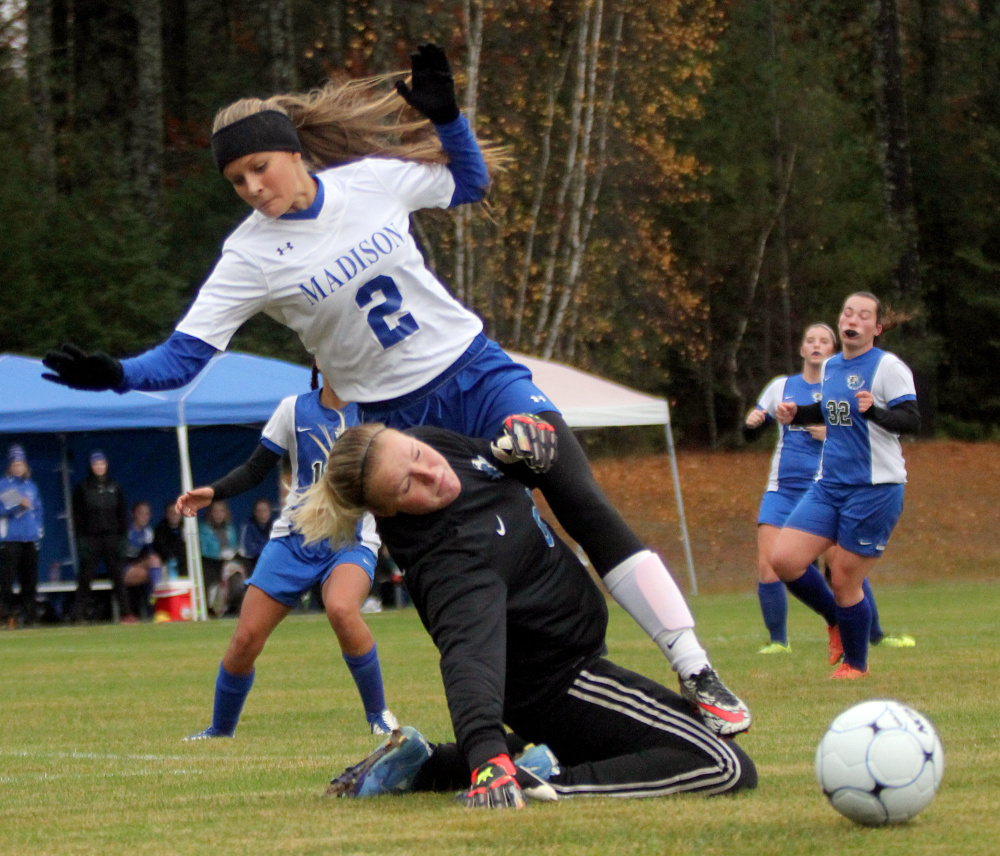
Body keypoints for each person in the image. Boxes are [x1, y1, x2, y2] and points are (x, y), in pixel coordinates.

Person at [41, 44, 748, 734]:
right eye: (236, 181)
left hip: (478, 375)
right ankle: (506, 731)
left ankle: (696, 670)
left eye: (260, 167)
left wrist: (448, 119)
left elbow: (470, 183)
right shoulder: (248, 255)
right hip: (396, 429)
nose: (253, 188)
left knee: (578, 497)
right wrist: (117, 376)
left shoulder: (371, 181)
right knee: (460, 579)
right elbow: (183, 358)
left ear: (292, 151)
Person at [296, 425, 756, 809]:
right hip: (566, 685)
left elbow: (488, 464)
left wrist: (516, 449)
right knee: (724, 766)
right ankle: (538, 781)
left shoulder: (438, 447)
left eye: (417, 455)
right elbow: (468, 660)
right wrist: (487, 759)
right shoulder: (452, 560)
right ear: (387, 511)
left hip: (567, 676)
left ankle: (428, 764)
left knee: (653, 745)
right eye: (406, 486)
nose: (431, 473)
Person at [177, 367, 397, 739]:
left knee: (342, 610)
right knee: (245, 639)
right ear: (319, 360)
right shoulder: (293, 410)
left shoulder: (374, 412)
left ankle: (379, 715)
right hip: (294, 541)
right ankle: (220, 731)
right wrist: (212, 493)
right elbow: (254, 470)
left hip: (350, 541)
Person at [770, 292, 921, 679]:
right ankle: (836, 621)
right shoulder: (833, 366)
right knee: (784, 559)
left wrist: (877, 412)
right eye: (847, 312)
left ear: (876, 327)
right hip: (830, 486)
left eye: (863, 315)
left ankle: (856, 664)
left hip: (875, 488)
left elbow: (911, 419)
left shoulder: (888, 367)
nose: (853, 319)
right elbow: (832, 409)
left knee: (844, 578)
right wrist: (797, 413)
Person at [71, 451, 128, 623]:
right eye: (96, 464)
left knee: (118, 576)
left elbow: (122, 514)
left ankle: (127, 613)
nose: (99, 467)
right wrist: (81, 539)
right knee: (86, 577)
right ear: (91, 466)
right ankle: (78, 614)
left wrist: (122, 538)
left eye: (102, 464)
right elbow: (77, 516)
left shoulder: (115, 487)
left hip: (111, 537)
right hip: (91, 538)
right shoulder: (83, 488)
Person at [0, 445, 43, 629]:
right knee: (7, 580)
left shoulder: (31, 486)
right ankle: (6, 614)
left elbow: (39, 509)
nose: (18, 467)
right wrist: (18, 505)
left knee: (30, 580)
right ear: (10, 465)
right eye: (15, 464)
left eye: (21, 464)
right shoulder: (4, 484)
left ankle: (29, 615)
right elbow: (3, 509)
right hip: (11, 539)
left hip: (29, 538)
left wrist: (38, 529)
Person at [198, 500, 244, 617]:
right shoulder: (203, 529)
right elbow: (203, 549)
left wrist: (232, 552)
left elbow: (233, 546)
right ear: (210, 513)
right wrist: (220, 554)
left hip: (227, 562)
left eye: (221, 511)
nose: (218, 514)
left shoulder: (230, 529)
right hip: (210, 562)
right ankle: (211, 609)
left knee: (238, 573)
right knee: (209, 577)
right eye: (215, 511)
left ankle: (234, 606)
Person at [121, 500, 162, 622]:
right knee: (154, 562)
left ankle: (152, 607)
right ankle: (157, 600)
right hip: (122, 569)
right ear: (133, 514)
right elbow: (119, 556)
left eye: (147, 514)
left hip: (139, 568)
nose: (144, 517)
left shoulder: (148, 532)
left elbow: (149, 552)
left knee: (151, 567)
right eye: (140, 513)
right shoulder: (126, 531)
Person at [239, 497, 274, 575]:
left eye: (265, 510)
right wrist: (266, 548)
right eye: (259, 511)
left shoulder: (276, 527)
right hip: (253, 564)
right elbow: (246, 550)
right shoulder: (248, 527)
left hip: (272, 563)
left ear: (270, 512)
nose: (262, 514)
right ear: (254, 512)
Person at [152, 500, 187, 577]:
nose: (174, 515)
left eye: (176, 512)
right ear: (166, 514)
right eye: (170, 512)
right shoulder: (160, 530)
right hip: (167, 565)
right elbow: (161, 548)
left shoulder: (187, 528)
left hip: (185, 565)